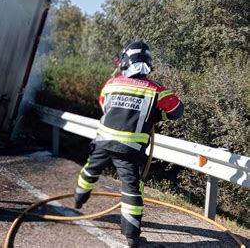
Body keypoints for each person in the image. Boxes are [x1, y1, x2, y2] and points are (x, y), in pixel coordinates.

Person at [73, 40, 184, 247]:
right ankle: (132, 238)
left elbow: (103, 104)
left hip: (103, 142)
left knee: (90, 170)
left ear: (125, 61)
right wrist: (156, 115)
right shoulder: (157, 90)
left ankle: (79, 199)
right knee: (132, 190)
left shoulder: (111, 83)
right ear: (147, 63)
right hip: (130, 150)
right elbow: (177, 111)